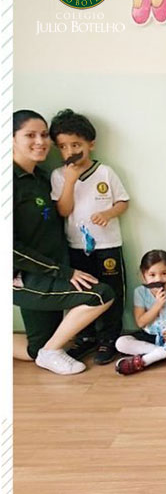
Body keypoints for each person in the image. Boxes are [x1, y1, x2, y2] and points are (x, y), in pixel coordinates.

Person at [12, 109, 114, 375]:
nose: (40, 141)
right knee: (100, 294)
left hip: (50, 270)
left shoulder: (44, 177)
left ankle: (45, 351)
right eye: (30, 135)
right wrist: (64, 272)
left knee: (36, 349)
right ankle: (50, 353)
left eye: (44, 135)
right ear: (11, 139)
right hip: (25, 275)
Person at [49, 109, 130, 365]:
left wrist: (108, 213)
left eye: (76, 145)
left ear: (90, 144)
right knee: (82, 291)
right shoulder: (59, 176)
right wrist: (70, 181)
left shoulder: (105, 172)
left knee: (112, 291)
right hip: (76, 247)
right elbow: (63, 210)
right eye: (63, 146)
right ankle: (85, 337)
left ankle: (109, 338)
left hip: (107, 245)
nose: (70, 151)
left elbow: (123, 202)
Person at [114, 249, 166, 375]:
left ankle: (143, 361)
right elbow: (141, 322)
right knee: (121, 343)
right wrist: (157, 305)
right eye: (152, 275)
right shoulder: (140, 292)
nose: (159, 279)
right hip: (148, 336)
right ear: (144, 276)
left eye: (164, 273)